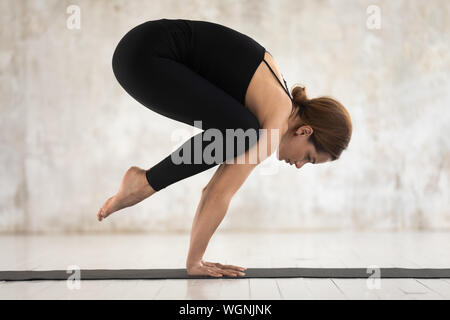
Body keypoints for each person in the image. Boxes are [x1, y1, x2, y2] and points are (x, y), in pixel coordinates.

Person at [97, 18, 352, 277]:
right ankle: (143, 183)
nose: (299, 165)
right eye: (309, 157)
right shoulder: (275, 121)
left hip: (140, 50)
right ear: (305, 131)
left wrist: (195, 260)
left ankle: (144, 181)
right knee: (244, 131)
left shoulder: (273, 102)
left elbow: (213, 190)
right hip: (144, 57)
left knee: (242, 128)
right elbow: (220, 193)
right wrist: (195, 263)